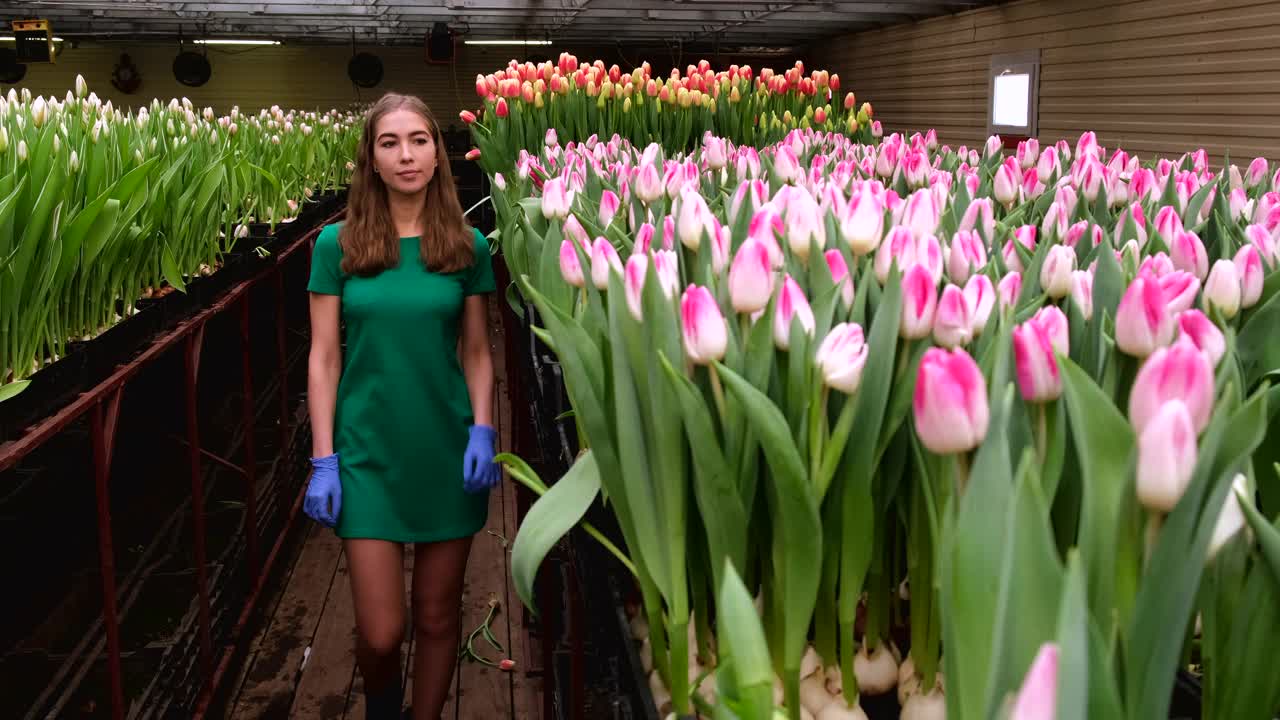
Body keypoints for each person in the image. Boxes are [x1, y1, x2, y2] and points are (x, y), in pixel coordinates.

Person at [303, 92, 502, 720]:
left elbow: (476, 351)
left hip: (446, 449)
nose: (406, 154)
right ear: (372, 159)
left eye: (418, 140)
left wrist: (483, 430)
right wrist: (323, 459)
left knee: (440, 617)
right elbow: (323, 357)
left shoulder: (467, 245)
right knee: (382, 632)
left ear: (438, 155)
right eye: (389, 143)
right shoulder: (338, 245)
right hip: (367, 453)